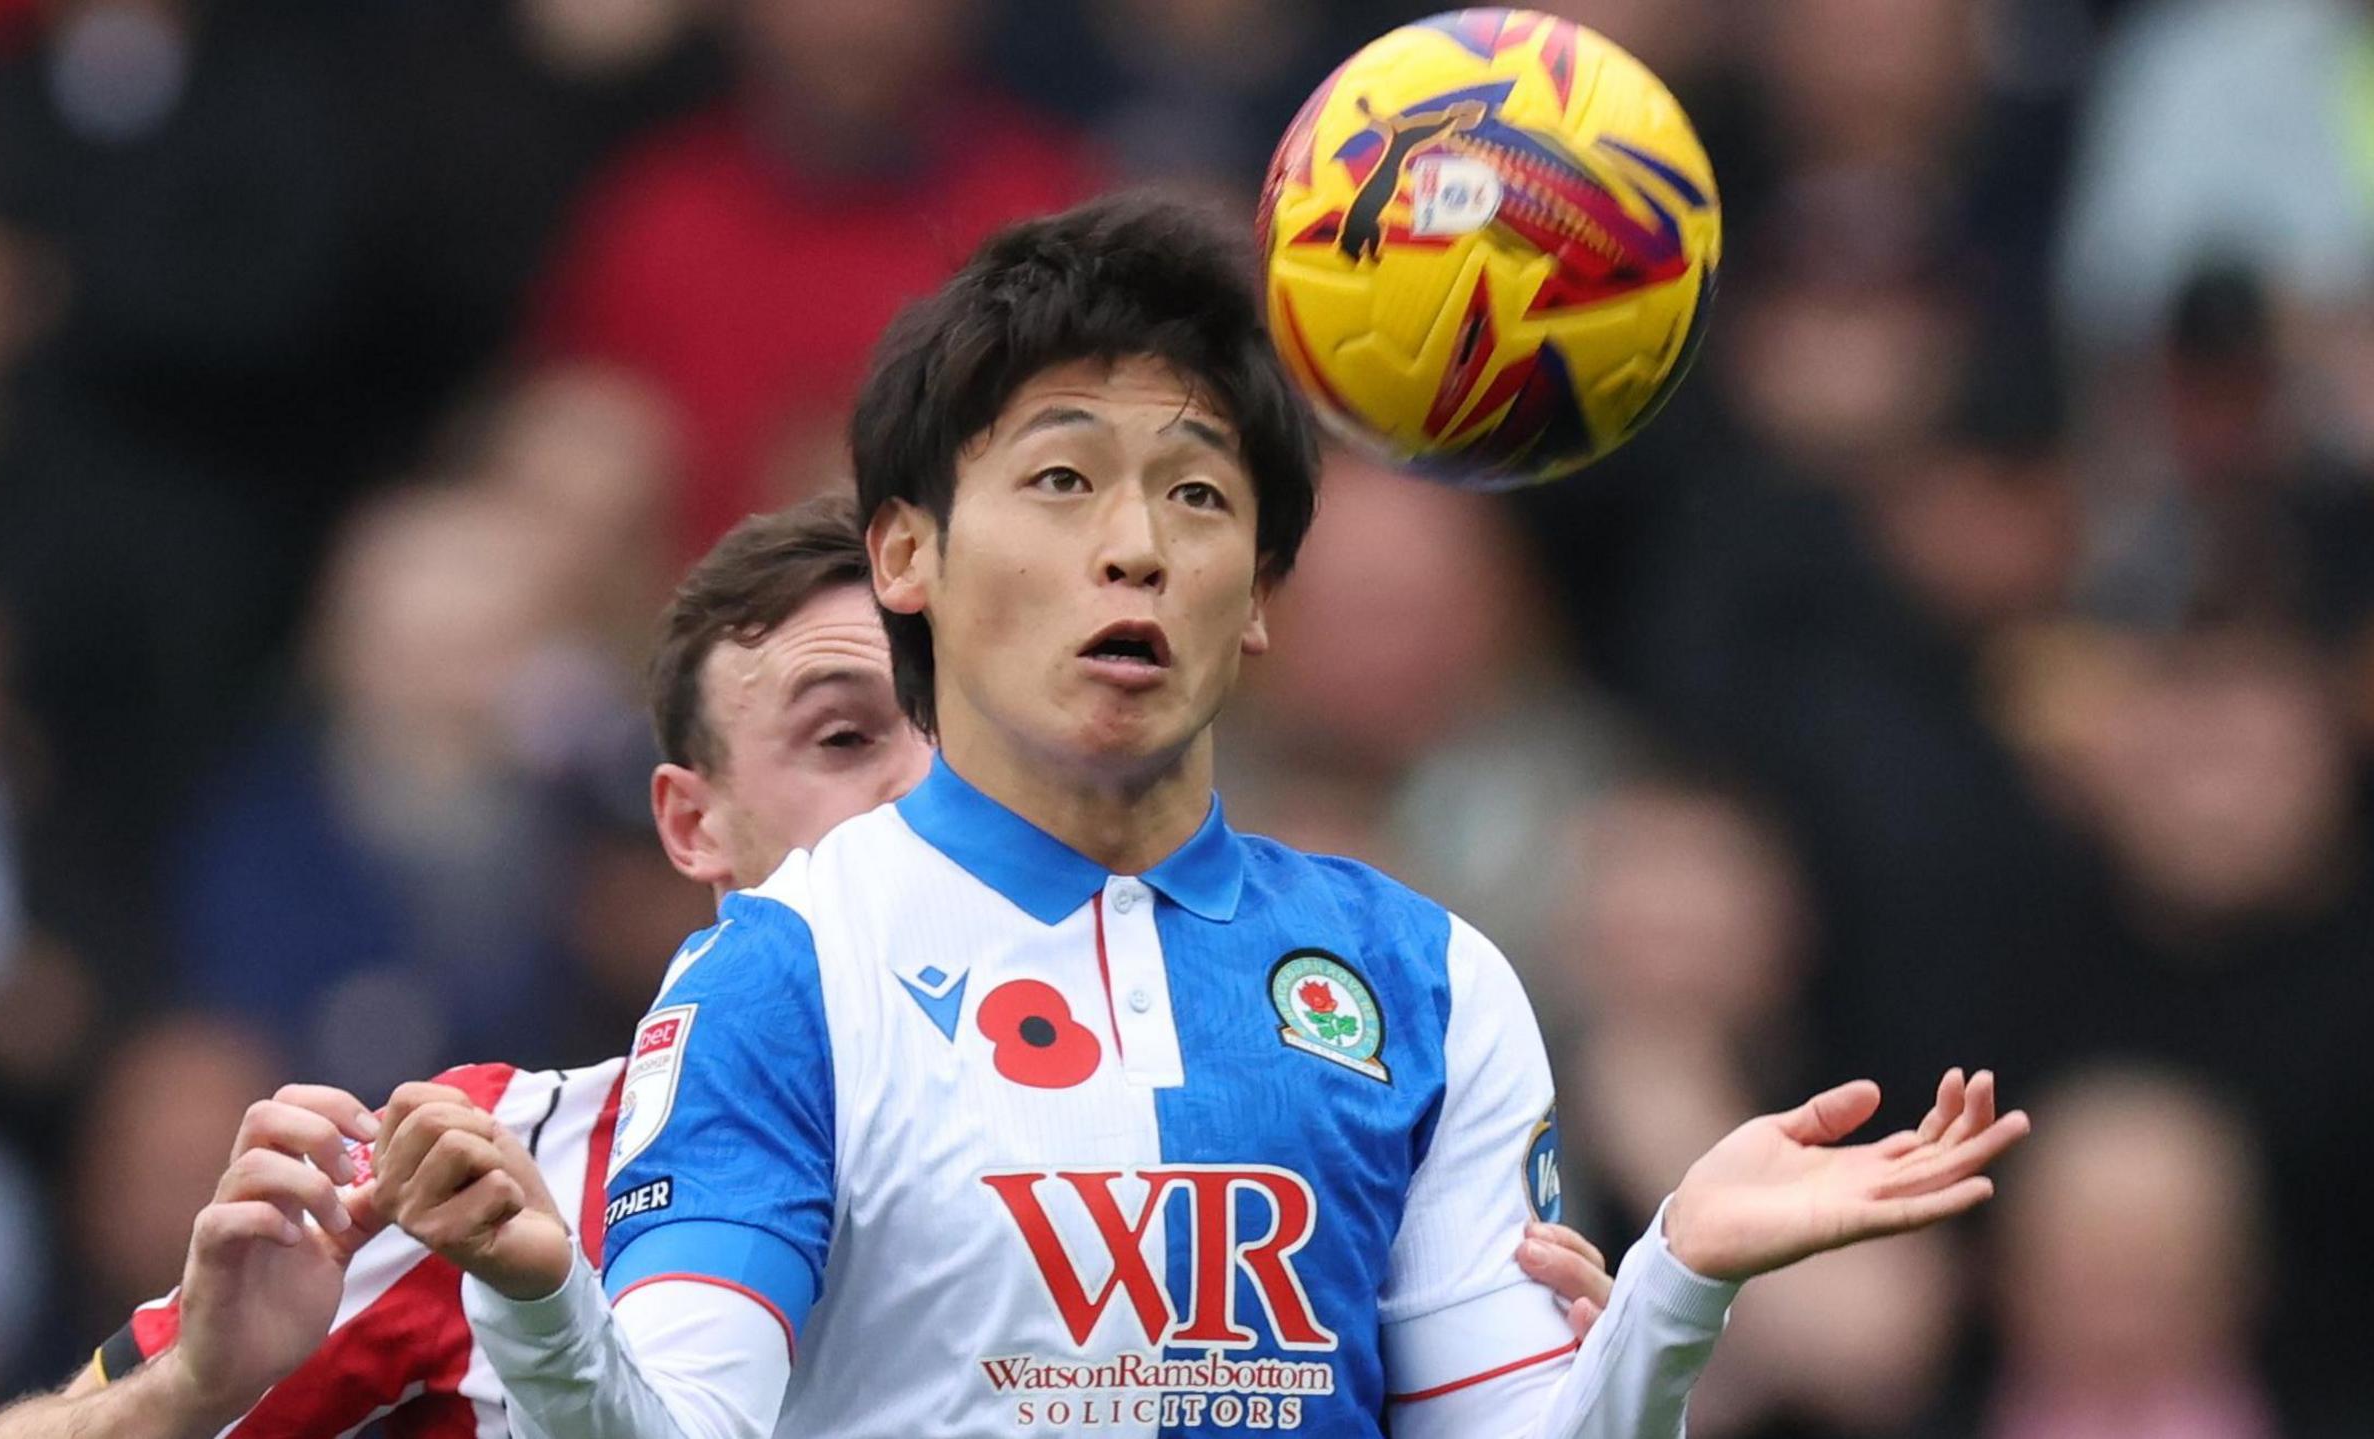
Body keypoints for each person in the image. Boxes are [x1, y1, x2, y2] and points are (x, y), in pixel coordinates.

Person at [374, 194, 2028, 1438]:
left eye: (1199, 494)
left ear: (1255, 605)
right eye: (1062, 479)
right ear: (906, 562)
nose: (1137, 547)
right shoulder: (786, 976)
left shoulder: (1428, 984)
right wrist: (538, 1304)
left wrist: (1675, 1282)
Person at [0, 493, 1626, 1437]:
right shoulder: (498, 1168)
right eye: (842, 737)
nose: (925, 795)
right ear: (691, 825)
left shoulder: (1245, 1144)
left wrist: (1640, 1362)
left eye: (966, 737)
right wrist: (196, 1384)